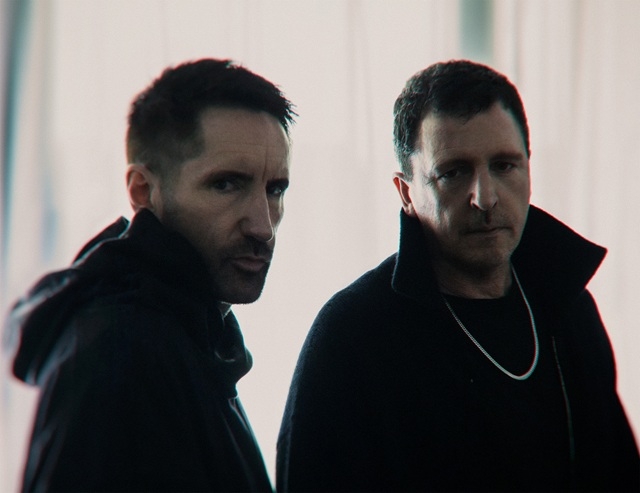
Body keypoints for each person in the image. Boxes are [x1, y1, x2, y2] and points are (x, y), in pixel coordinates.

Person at [276, 60, 639, 492]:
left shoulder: (570, 310)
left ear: (529, 170)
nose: (485, 198)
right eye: (453, 172)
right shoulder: (352, 335)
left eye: (504, 166)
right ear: (406, 193)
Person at [5, 58, 295, 492]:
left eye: (275, 189)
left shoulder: (187, 336)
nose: (263, 226)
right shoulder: (122, 351)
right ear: (143, 191)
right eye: (226, 184)